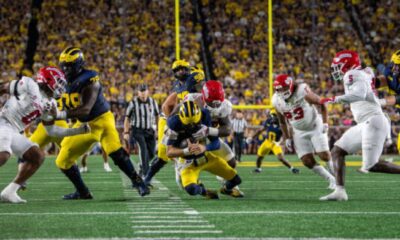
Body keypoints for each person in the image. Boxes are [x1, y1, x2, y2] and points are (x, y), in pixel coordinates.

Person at [54, 47, 149, 200]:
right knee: (62, 160)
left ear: (79, 64)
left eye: (69, 65)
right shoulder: (62, 81)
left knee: (115, 153)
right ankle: (83, 192)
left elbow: (85, 109)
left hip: (101, 120)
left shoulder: (91, 79)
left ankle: (138, 182)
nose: (66, 69)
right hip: (83, 125)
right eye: (63, 65)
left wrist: (59, 114)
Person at [0, 66, 90, 203]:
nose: (61, 87)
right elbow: (3, 87)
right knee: (3, 155)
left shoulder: (51, 103)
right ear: (48, 80)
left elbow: (52, 131)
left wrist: (76, 131)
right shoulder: (30, 85)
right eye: (58, 82)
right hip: (3, 121)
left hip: (14, 130)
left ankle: (10, 192)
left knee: (37, 156)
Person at [319, 50, 400, 201]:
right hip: (367, 122)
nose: (336, 69)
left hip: (373, 120)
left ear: (347, 65)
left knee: (371, 165)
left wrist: (333, 99)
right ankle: (340, 191)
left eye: (338, 66)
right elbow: (371, 80)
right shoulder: (363, 72)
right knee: (337, 151)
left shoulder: (352, 74)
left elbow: (359, 95)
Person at [144, 60, 204, 185]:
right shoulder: (179, 86)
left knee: (193, 145)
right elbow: (166, 106)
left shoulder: (193, 82)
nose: (181, 71)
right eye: (178, 70)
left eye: (183, 69)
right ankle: (147, 178)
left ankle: (185, 168)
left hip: (184, 118)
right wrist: (169, 123)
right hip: (169, 119)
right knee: (163, 153)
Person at [272, 74, 336, 191]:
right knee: (307, 161)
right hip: (298, 131)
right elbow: (282, 122)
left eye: (284, 88)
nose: (282, 91)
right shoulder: (276, 100)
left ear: (291, 86)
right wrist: (287, 138)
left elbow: (321, 103)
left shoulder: (301, 90)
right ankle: (331, 179)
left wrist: (326, 122)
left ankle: (336, 177)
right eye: (279, 89)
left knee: (324, 155)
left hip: (314, 125)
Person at [166, 100, 242, 199]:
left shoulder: (205, 117)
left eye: (194, 122)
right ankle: (204, 191)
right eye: (188, 124)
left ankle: (226, 189)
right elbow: (169, 152)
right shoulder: (174, 124)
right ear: (181, 118)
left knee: (236, 180)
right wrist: (186, 151)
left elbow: (216, 143)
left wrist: (205, 147)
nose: (192, 126)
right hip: (188, 163)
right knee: (190, 189)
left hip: (206, 157)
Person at [123, 84, 159, 177]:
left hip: (149, 130)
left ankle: (141, 166)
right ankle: (145, 176)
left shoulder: (153, 102)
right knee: (143, 150)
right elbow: (127, 118)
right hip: (137, 130)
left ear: (148, 91)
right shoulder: (133, 103)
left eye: (144, 91)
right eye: (141, 91)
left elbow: (157, 116)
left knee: (152, 153)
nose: (143, 93)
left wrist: (158, 129)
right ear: (138, 92)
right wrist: (126, 132)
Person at [250, 109, 299, 174]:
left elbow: (285, 134)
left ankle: (292, 168)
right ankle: (258, 169)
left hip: (276, 143)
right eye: (272, 115)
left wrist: (281, 142)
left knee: (280, 158)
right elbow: (261, 130)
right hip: (267, 141)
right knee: (259, 156)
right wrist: (251, 137)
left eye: (274, 115)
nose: (273, 117)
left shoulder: (282, 124)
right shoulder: (268, 121)